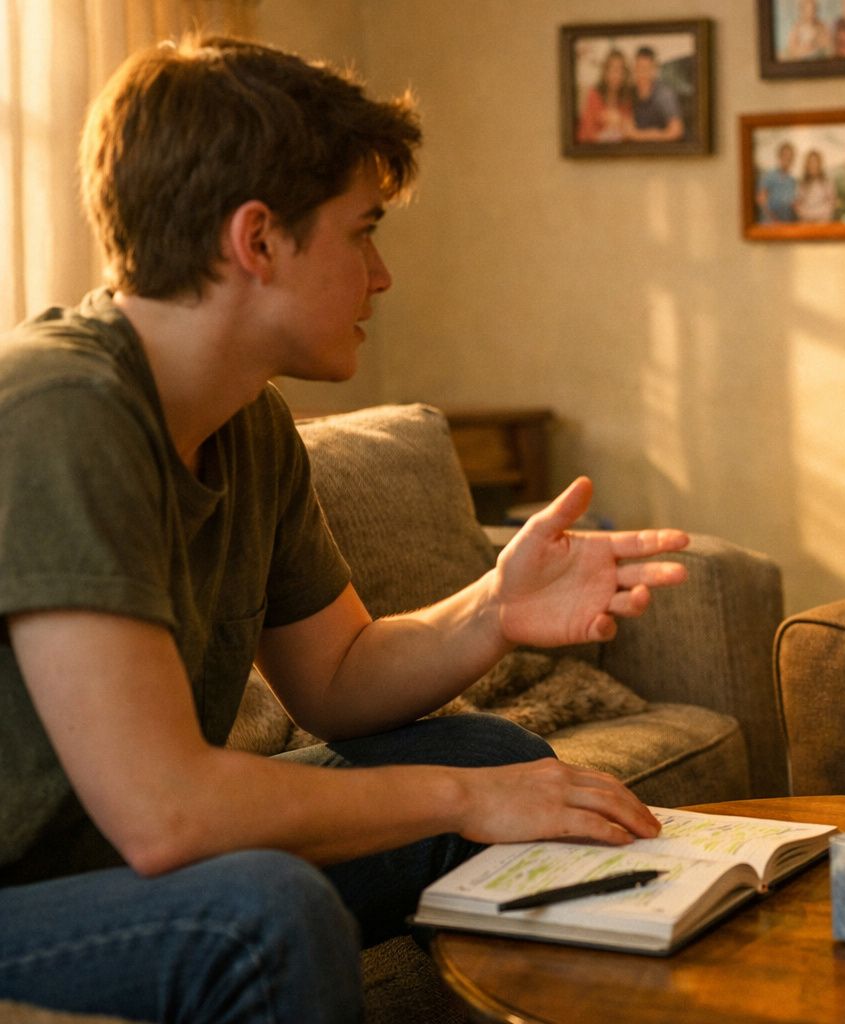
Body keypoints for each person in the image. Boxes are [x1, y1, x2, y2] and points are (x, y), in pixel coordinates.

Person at [0, 36, 691, 1023]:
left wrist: (496, 605)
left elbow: (337, 679)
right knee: (260, 914)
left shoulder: (248, 421)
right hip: (25, 893)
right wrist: (461, 805)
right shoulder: (60, 405)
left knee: (493, 755)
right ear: (258, 240)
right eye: (361, 232)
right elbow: (168, 814)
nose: (381, 276)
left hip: (113, 856)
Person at [627, 45, 684, 142]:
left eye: (645, 69)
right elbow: (627, 128)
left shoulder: (664, 95)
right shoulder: (630, 93)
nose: (640, 73)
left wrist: (639, 135)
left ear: (654, 69)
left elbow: (676, 131)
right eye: (637, 68)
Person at [576, 48, 631, 144]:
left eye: (621, 70)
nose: (617, 75)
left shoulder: (626, 98)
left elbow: (628, 129)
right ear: (606, 72)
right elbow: (587, 132)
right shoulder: (594, 94)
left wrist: (619, 121)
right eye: (613, 69)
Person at [757, 141, 800, 223]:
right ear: (779, 156)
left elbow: (794, 202)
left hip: (787, 222)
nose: (787, 159)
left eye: (790, 156)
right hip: (769, 223)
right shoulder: (769, 176)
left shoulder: (792, 180)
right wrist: (774, 219)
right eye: (785, 155)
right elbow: (761, 200)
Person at [794, 149, 837, 223]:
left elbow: (832, 203)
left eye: (815, 162)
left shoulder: (827, 183)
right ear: (806, 165)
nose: (813, 165)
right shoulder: (802, 184)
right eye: (810, 162)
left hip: (823, 223)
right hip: (805, 222)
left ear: (820, 164)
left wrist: (820, 215)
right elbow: (797, 204)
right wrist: (806, 214)